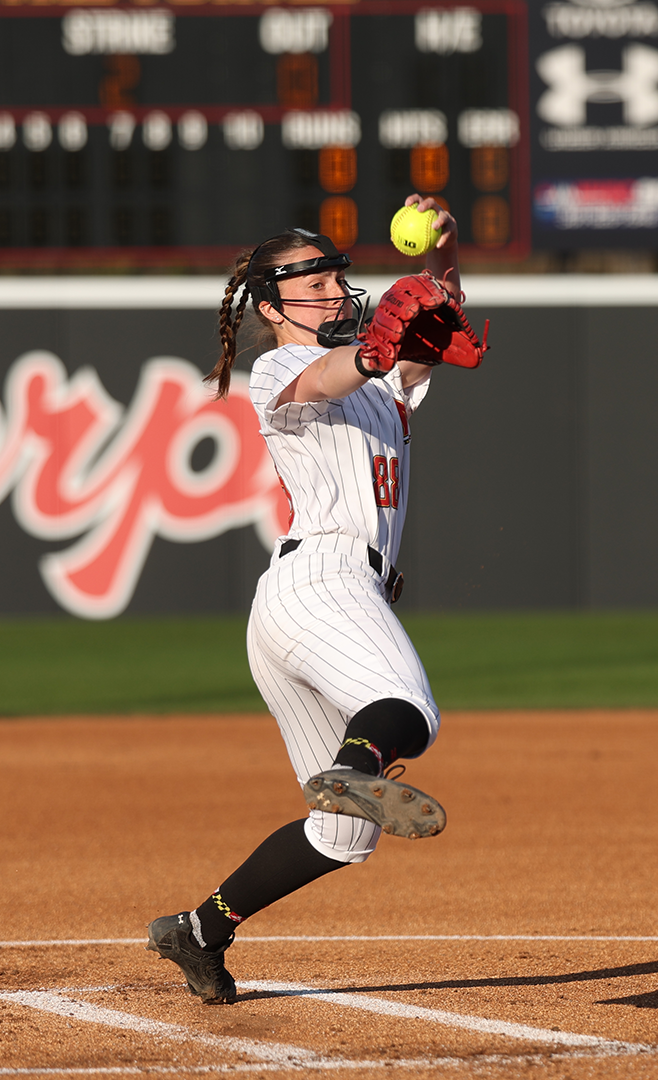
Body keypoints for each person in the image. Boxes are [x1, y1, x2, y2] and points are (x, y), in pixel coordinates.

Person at [146, 196, 464, 1004]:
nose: (331, 288)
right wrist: (370, 353)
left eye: (335, 275)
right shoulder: (278, 368)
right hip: (322, 580)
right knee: (407, 707)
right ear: (269, 305)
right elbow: (327, 374)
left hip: (300, 609)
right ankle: (356, 768)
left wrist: (443, 258)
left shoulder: (386, 377)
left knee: (343, 835)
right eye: (310, 279)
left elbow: (436, 324)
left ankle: (200, 930)